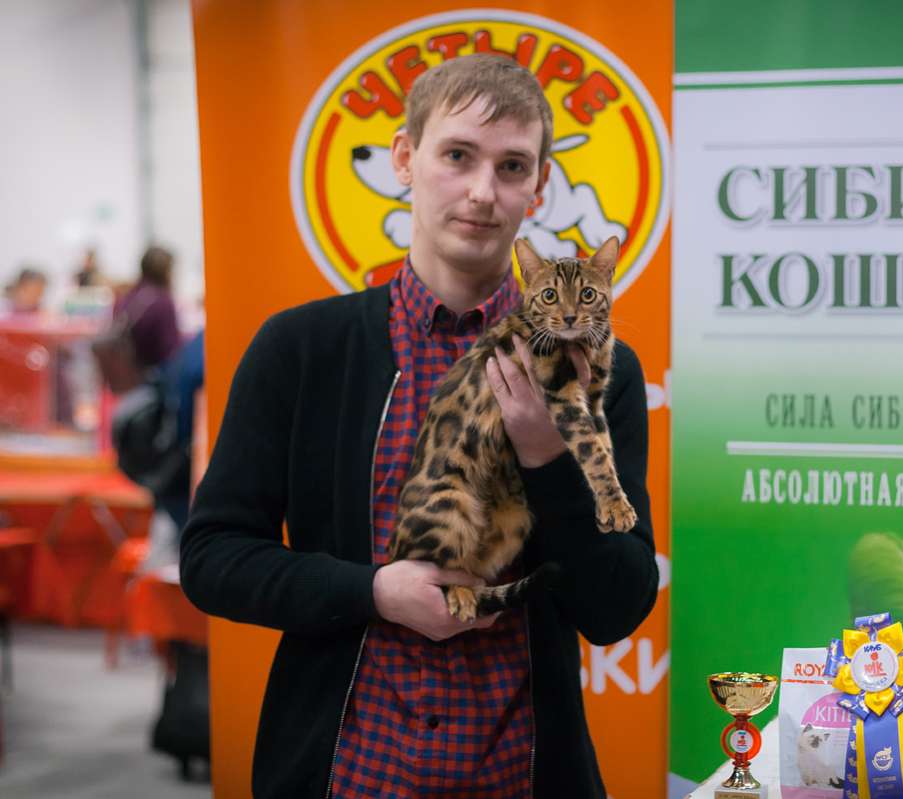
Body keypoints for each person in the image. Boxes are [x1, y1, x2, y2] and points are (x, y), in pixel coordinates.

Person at [180, 54, 657, 799]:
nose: (482, 191)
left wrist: (547, 460)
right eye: (457, 155)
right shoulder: (302, 348)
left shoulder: (601, 369)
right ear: (405, 158)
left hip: (520, 774)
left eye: (511, 166)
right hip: (347, 772)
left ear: (538, 186)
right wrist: (372, 591)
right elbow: (213, 558)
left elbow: (617, 605)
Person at [114, 245, 181, 372]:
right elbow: (171, 351)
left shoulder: (131, 295)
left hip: (129, 372)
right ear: (166, 272)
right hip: (153, 374)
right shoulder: (162, 302)